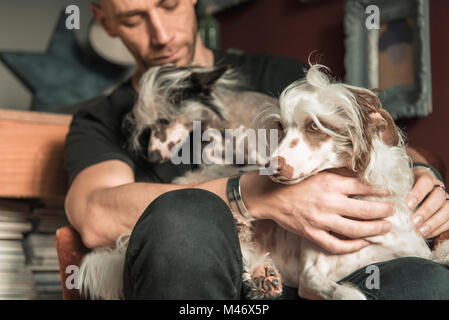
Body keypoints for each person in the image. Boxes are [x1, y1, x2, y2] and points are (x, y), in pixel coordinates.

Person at [64, 0, 449, 299]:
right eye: (133, 19)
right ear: (104, 20)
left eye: (169, 5)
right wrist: (249, 194)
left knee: (429, 284)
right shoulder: (101, 119)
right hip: (213, 291)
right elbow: (96, 215)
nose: (161, 34)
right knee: (183, 219)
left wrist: (423, 174)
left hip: (333, 276)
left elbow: (372, 138)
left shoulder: (282, 79)